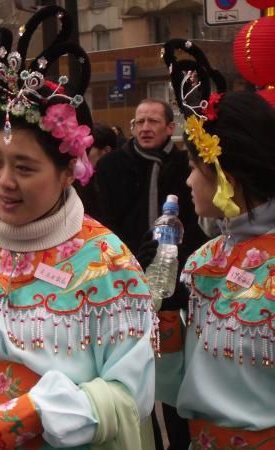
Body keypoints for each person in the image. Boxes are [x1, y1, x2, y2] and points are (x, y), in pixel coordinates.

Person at [0, 6, 157, 450]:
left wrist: (37, 413)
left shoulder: (107, 263)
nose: (4, 182)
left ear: (69, 171)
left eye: (25, 168)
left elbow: (129, 393)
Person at [156, 39, 275, 450]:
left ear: (226, 174)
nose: (187, 180)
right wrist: (166, 314)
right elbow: (177, 387)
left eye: (194, 166)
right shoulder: (205, 259)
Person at [95, 96, 206, 450]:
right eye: (139, 122)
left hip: (175, 287)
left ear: (170, 128)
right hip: (126, 281)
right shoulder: (113, 166)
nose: (144, 128)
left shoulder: (183, 168)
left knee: (173, 369)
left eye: (153, 122)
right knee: (134, 372)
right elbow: (102, 225)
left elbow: (196, 225)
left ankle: (180, 438)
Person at [75, 123, 117, 220]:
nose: (81, 153)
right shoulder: (77, 179)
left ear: (106, 151)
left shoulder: (116, 181)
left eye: (87, 149)